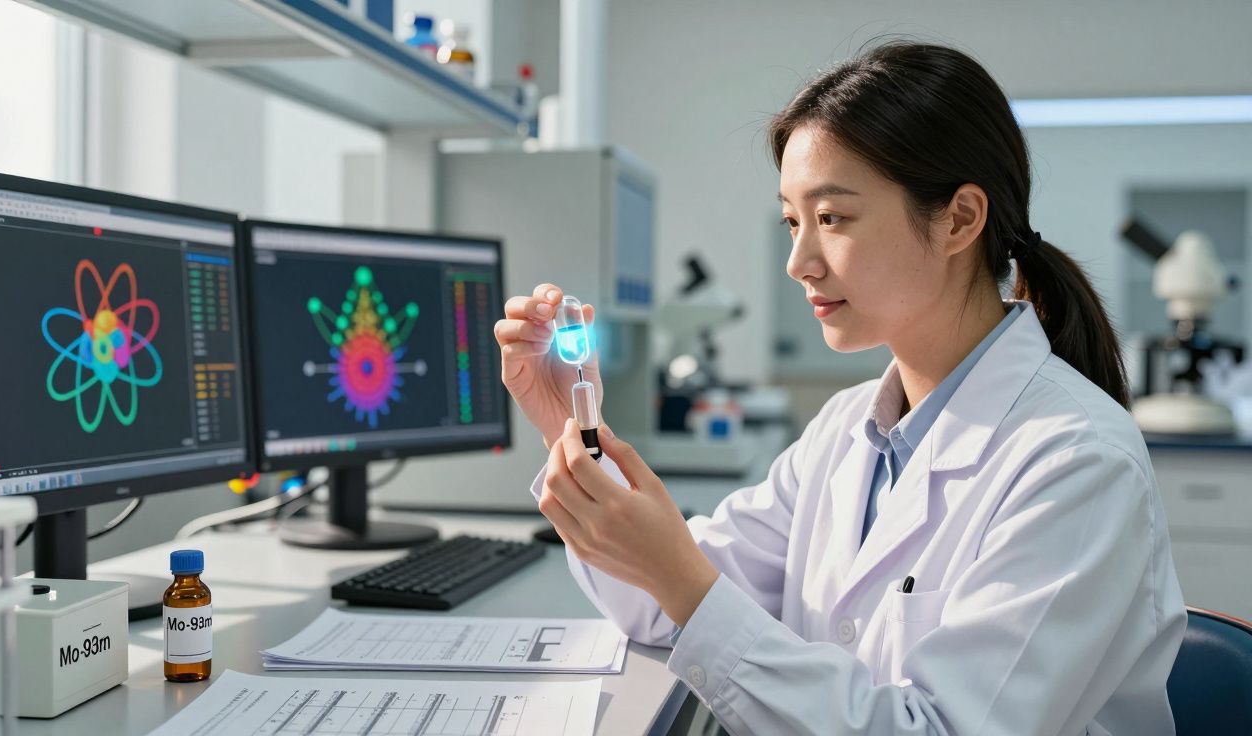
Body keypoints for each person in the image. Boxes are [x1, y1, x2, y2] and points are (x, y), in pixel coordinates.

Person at [493, 41, 1185, 735]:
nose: (799, 261)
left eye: (832, 218)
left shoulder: (1077, 463)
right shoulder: (848, 430)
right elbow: (659, 603)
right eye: (794, 221)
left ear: (960, 219)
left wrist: (683, 583)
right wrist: (571, 428)